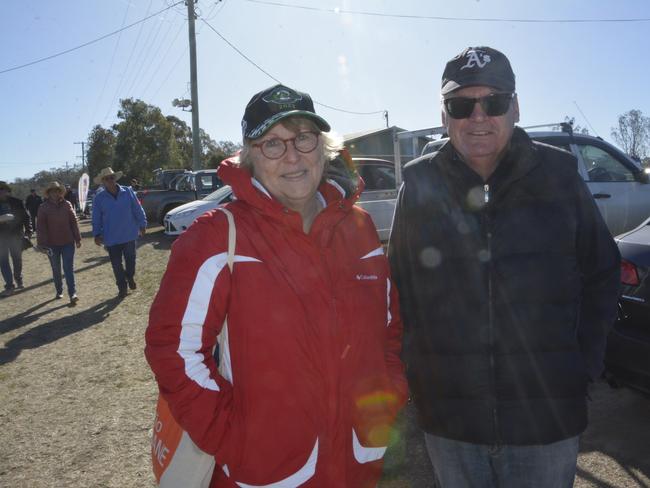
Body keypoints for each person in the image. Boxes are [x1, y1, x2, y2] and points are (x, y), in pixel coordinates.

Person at [145, 84, 407, 487]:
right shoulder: (216, 235)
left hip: (357, 465)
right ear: (250, 156)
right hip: (266, 474)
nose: (292, 156)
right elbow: (173, 350)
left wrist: (389, 396)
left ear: (323, 147)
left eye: (303, 137)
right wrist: (233, 437)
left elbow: (387, 330)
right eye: (272, 143)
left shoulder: (360, 227)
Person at [388, 46, 621, 487]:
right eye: (461, 105)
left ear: (515, 108)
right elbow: (397, 289)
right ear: (444, 115)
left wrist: (582, 365)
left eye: (493, 102)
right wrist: (419, 376)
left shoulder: (559, 175)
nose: (479, 117)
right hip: (451, 423)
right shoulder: (419, 185)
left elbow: (603, 272)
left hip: (546, 422)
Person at [92, 167, 147, 298]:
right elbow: (96, 217)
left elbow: (137, 208)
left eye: (111, 177)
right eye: (106, 179)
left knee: (131, 261)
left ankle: (130, 276)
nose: (110, 180)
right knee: (116, 265)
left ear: (115, 178)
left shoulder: (128, 191)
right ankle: (122, 287)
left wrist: (142, 223)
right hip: (111, 237)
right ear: (103, 182)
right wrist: (96, 234)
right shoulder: (99, 198)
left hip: (129, 233)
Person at [37, 181, 82, 304]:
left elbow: (73, 222)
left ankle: (72, 293)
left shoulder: (67, 204)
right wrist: (41, 244)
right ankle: (59, 290)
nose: (55, 193)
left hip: (68, 242)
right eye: (52, 191)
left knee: (68, 268)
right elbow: (40, 227)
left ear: (60, 192)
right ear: (49, 193)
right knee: (56, 269)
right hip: (51, 245)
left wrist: (77, 238)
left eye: (57, 191)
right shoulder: (43, 208)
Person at [0, 181, 32, 296]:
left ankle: (18, 278)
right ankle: (9, 285)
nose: (1, 192)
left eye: (2, 189)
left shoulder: (17, 202)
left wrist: (28, 231)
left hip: (16, 235)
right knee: (3, 261)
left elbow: (26, 218)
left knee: (17, 259)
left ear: (7, 191)